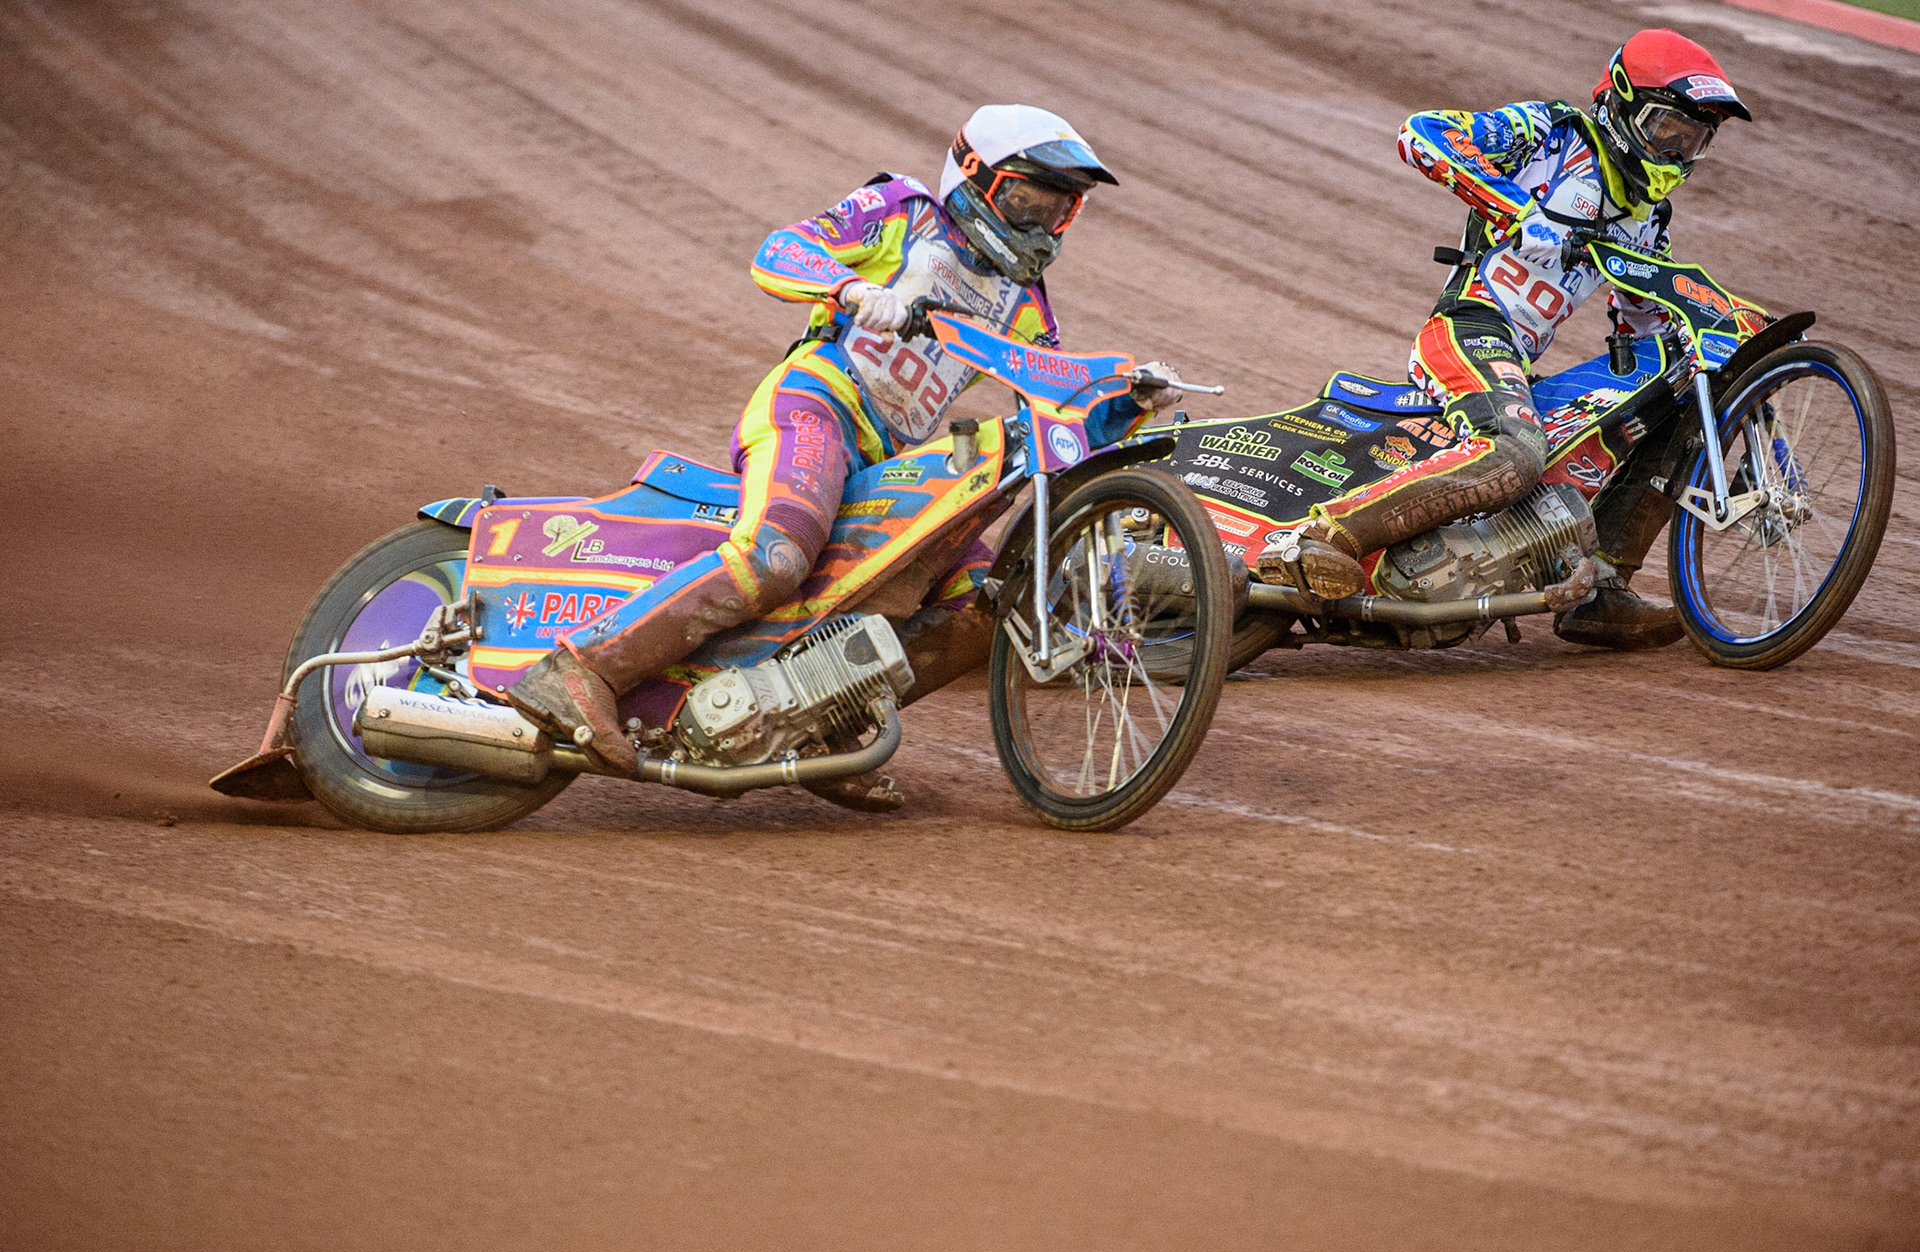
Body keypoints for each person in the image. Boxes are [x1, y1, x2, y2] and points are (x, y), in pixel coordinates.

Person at [508, 104, 1181, 801]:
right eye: (1025, 199)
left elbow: (1052, 415)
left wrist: (1127, 403)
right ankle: (583, 669)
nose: (1039, 223)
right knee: (777, 555)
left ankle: (814, 728)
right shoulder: (906, 211)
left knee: (984, 608)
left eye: (1058, 210)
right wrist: (853, 289)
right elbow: (780, 250)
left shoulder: (1029, 307)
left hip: (894, 456)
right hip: (816, 403)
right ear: (973, 175)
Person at [1258, 29, 1750, 649]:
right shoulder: (1553, 131)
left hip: (1515, 361)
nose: (1675, 152)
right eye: (1665, 130)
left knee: (1673, 395)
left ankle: (1601, 589)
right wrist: (1517, 209)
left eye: (1692, 140)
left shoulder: (1649, 218)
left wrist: (1691, 342)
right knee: (1516, 453)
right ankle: (1328, 537)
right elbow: (1424, 132)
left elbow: (1642, 323)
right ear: (1622, 102)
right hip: (1466, 327)